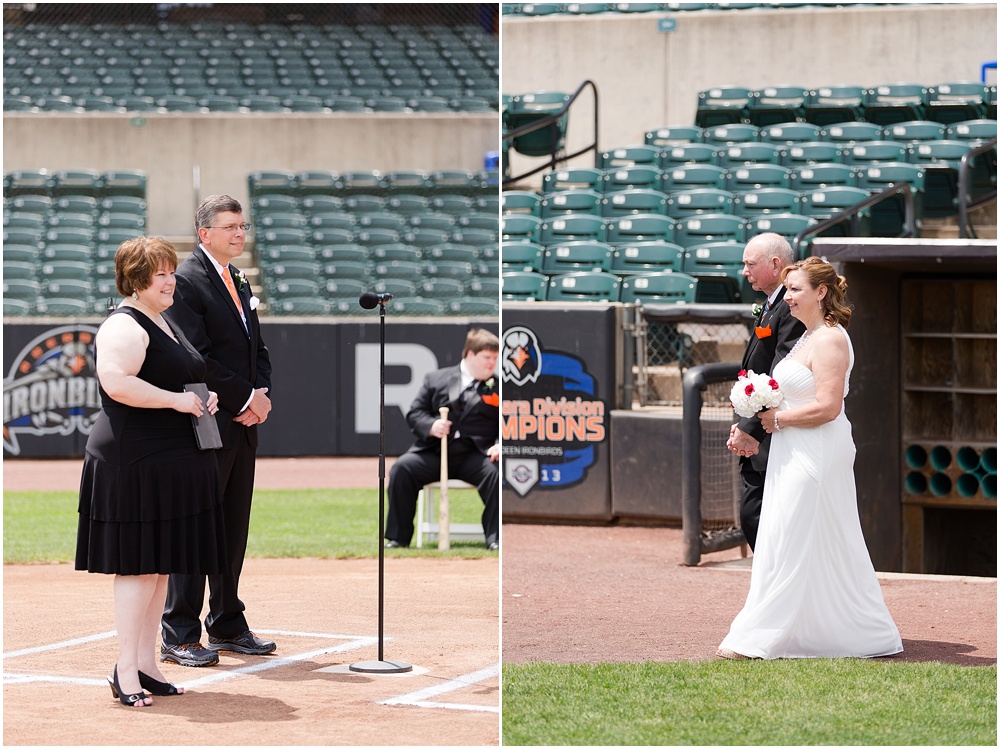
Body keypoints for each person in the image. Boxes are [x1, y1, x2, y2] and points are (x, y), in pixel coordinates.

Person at [717, 257, 903, 660]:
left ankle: (761, 635)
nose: (789, 299)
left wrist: (774, 419)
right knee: (790, 536)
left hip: (816, 451)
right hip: (790, 447)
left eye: (797, 290)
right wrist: (756, 412)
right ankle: (812, 630)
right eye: (787, 291)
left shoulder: (831, 339)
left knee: (791, 536)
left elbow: (828, 407)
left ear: (821, 292)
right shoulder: (805, 337)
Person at [76, 237, 226, 706]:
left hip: (162, 459)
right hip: (131, 461)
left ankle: (146, 664)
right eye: (158, 274)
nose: (170, 280)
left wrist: (199, 397)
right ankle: (125, 671)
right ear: (135, 280)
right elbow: (116, 382)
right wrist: (177, 400)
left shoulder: (161, 320)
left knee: (157, 566)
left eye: (170, 272)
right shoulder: (124, 324)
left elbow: (171, 378)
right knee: (137, 568)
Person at [160, 195, 275, 667]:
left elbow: (257, 349)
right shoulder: (187, 280)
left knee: (231, 527)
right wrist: (247, 397)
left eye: (242, 226)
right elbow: (197, 357)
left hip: (241, 424)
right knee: (195, 527)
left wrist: (261, 394)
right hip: (205, 422)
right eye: (229, 227)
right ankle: (179, 632)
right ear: (204, 233)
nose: (239, 234)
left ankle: (227, 622)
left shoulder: (237, 277)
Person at [384, 328, 500, 550]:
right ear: (470, 355)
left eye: (495, 358)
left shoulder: (500, 387)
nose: (492, 363)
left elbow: (508, 422)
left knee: (495, 473)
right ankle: (398, 538)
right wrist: (432, 426)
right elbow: (415, 413)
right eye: (487, 357)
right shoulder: (436, 379)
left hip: (476, 455)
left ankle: (494, 539)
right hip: (435, 453)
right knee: (402, 469)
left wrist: (499, 444)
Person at [727, 233, 806, 551]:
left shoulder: (792, 306)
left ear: (776, 265)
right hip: (760, 429)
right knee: (755, 516)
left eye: (750, 264)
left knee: (756, 515)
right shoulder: (773, 304)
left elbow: (780, 373)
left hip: (774, 434)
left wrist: (750, 429)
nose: (744, 271)